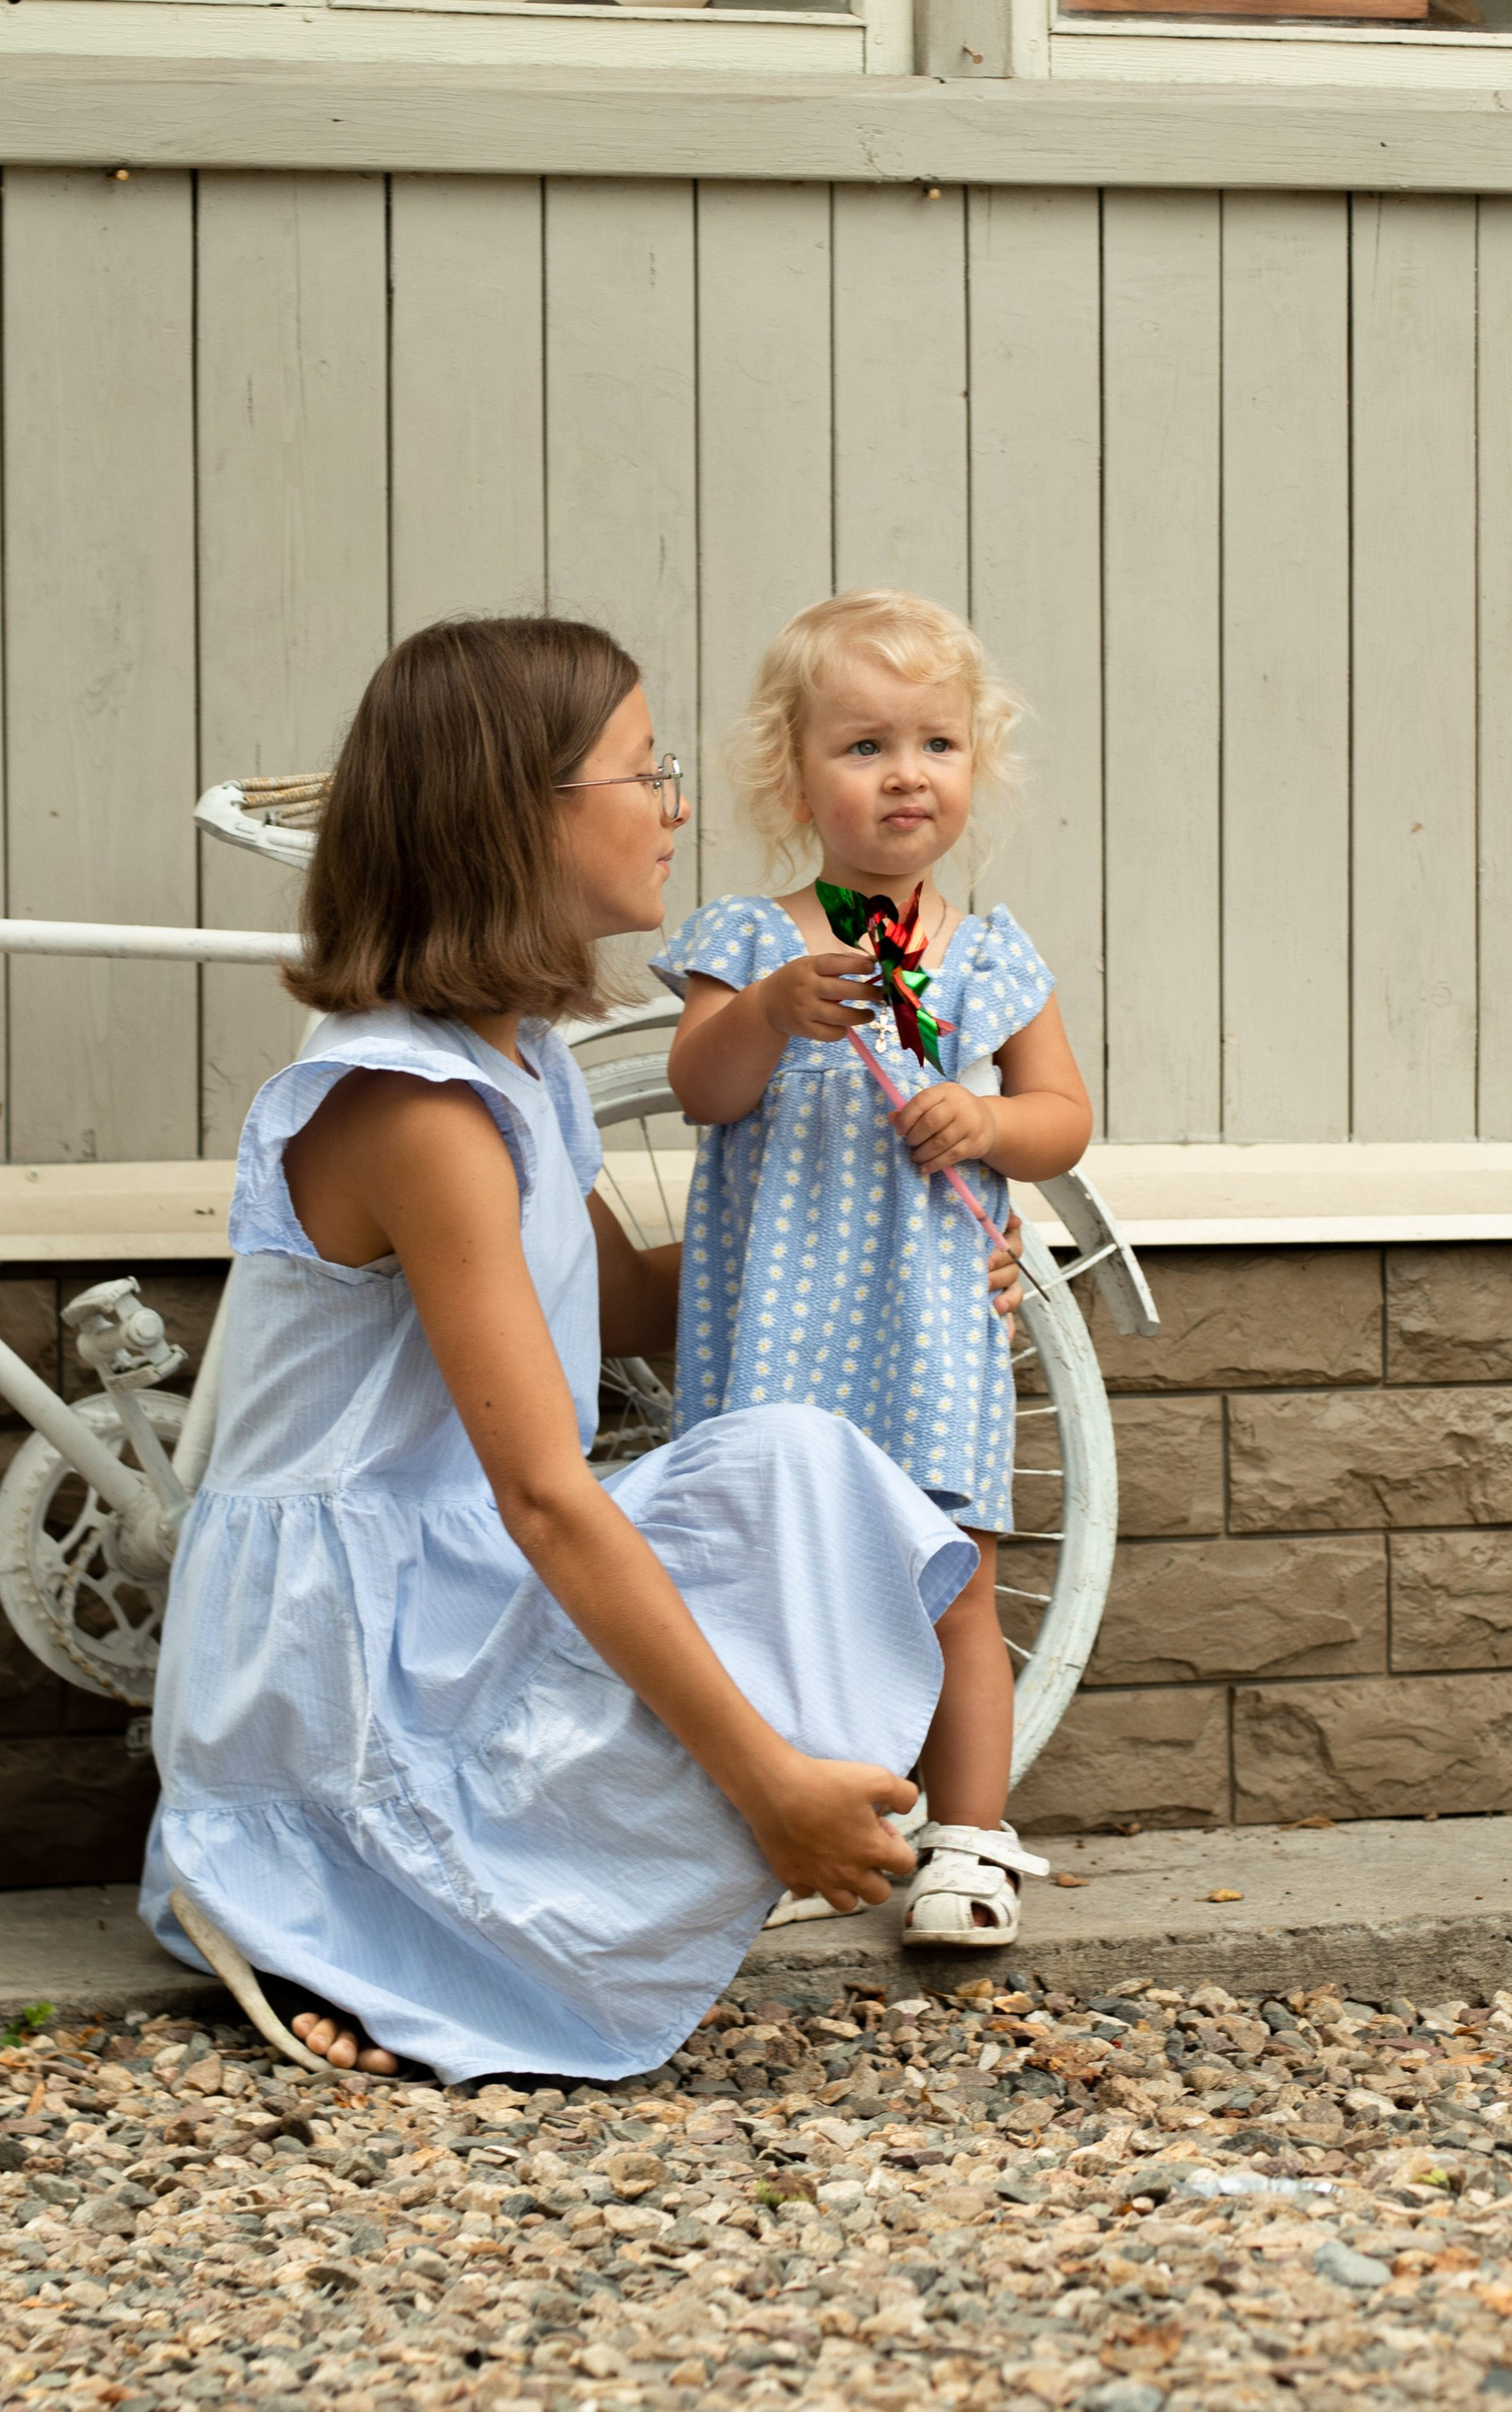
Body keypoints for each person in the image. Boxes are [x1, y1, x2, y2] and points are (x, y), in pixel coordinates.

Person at [143, 614, 992, 2085]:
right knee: (705, 1543)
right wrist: (767, 1781)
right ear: (513, 819)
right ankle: (309, 1890)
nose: (676, 806)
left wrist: (911, 1253)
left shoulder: (520, 1063)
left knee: (795, 1466)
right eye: (639, 772)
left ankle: (459, 1891)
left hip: (446, 1583)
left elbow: (635, 1309)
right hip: (346, 1645)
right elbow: (543, 1493)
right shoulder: (420, 1109)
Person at [655, 590, 1093, 1952]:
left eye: (937, 744)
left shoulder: (991, 952)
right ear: (791, 775)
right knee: (775, 1578)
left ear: (977, 765)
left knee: (955, 1572)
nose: (906, 773)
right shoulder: (751, 937)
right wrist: (777, 1012)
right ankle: (790, 1819)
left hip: (927, 1317)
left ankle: (971, 1836)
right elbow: (703, 1093)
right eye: (863, 746)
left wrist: (991, 1122)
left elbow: (1064, 1117)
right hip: (779, 1326)